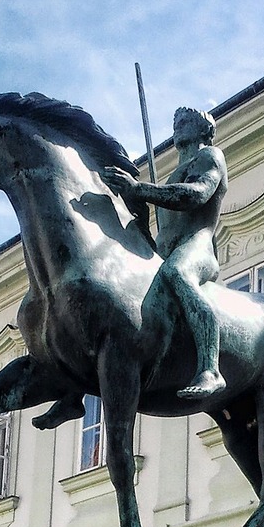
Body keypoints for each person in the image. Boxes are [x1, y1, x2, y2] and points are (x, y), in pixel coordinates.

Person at [101, 105, 228, 400]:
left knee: (177, 273)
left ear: (204, 130)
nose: (177, 125)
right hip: (165, 250)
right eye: (175, 122)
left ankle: (211, 369)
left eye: (184, 121)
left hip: (196, 247)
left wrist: (141, 188)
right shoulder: (172, 175)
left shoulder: (210, 156)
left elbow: (196, 194)